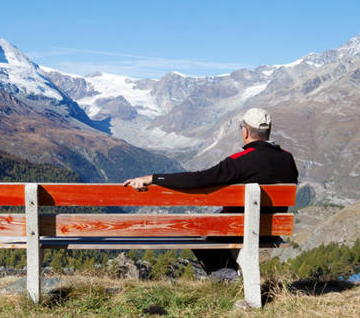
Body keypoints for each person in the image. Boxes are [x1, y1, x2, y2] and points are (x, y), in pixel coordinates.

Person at [123, 107, 298, 273]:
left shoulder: (241, 161)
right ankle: (231, 274)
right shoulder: (288, 159)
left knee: (195, 229)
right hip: (270, 231)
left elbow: (199, 180)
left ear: (245, 132)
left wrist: (153, 178)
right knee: (217, 220)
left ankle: (226, 275)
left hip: (238, 229)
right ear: (268, 132)